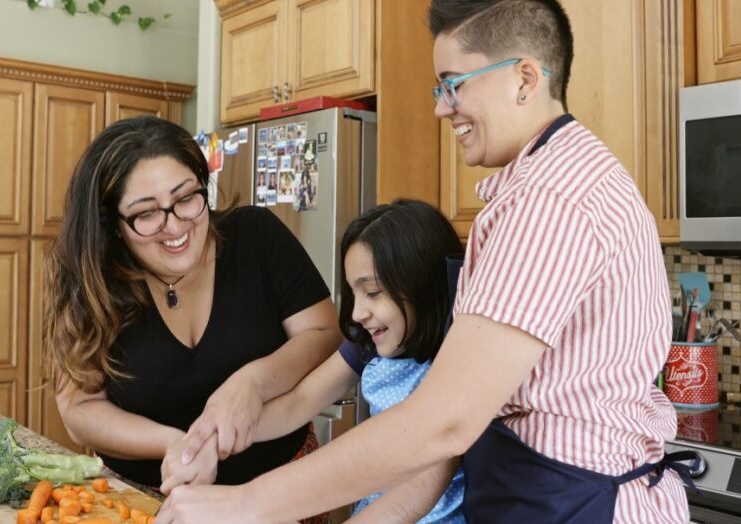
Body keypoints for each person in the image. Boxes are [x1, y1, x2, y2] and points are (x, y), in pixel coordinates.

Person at [156, 1, 693, 522]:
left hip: (581, 503)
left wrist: (245, 505)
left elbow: (445, 422)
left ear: (525, 79)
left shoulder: (549, 201)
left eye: (453, 85)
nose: (441, 107)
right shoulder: (562, 179)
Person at [42, 116, 341, 501]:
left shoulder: (257, 237)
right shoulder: (92, 278)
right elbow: (80, 411)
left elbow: (324, 334)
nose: (175, 225)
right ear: (113, 224)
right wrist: (182, 445)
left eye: (185, 198)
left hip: (280, 491)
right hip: (148, 499)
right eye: (147, 213)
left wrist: (253, 381)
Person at [161, 200, 467, 523]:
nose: (357, 314)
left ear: (422, 286)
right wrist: (214, 439)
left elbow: (412, 497)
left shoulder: (458, 360)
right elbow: (299, 401)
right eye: (354, 293)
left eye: (373, 293)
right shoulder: (368, 345)